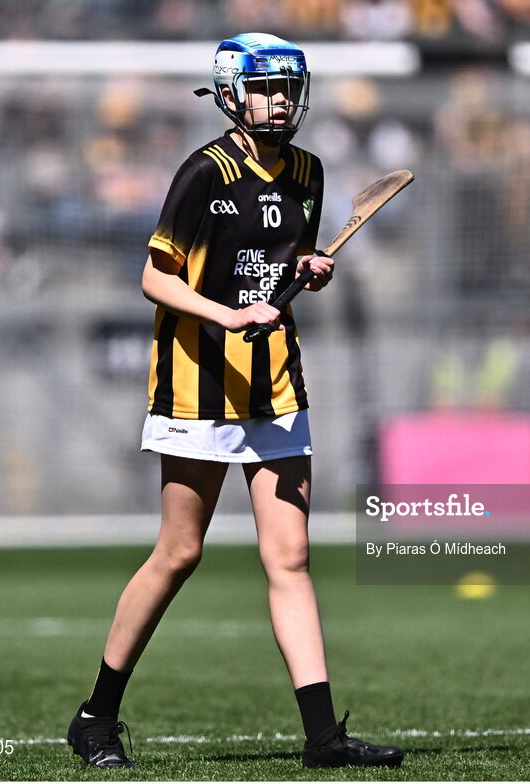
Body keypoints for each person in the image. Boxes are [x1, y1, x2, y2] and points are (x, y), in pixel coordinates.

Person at [64, 33, 404, 770]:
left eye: (289, 87)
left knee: (292, 556)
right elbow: (157, 278)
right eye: (266, 88)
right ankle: (95, 717)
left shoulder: (309, 173)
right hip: (199, 383)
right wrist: (227, 315)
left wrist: (306, 272)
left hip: (276, 384)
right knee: (180, 551)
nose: (280, 100)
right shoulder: (204, 173)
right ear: (229, 94)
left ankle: (323, 737)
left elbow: (278, 270)